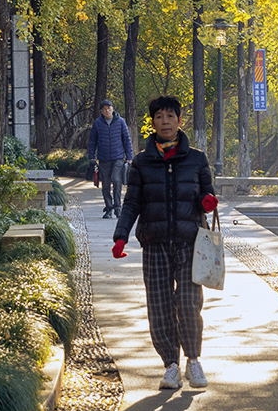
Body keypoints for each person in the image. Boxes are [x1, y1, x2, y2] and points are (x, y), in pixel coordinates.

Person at [112, 95, 218, 391]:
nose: (165, 121)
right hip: (154, 243)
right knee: (159, 306)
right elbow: (132, 203)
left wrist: (207, 201)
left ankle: (193, 360)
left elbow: (206, 193)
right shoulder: (142, 162)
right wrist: (120, 236)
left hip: (189, 242)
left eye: (171, 116)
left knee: (189, 303)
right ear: (153, 122)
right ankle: (170, 365)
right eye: (159, 116)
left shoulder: (197, 159)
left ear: (179, 121)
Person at [87, 99, 133, 219]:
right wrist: (91, 157)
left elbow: (127, 140)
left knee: (117, 181)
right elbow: (92, 141)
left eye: (109, 108)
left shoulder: (120, 122)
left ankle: (118, 208)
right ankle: (108, 208)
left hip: (118, 158)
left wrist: (129, 157)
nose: (107, 110)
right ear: (101, 111)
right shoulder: (97, 123)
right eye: (104, 109)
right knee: (106, 184)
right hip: (103, 159)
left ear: (113, 109)